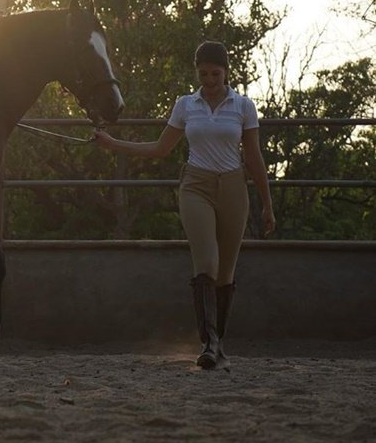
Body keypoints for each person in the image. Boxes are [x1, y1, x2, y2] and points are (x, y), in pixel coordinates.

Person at [92, 41, 275, 370]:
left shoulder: (243, 106)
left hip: (234, 187)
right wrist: (112, 143)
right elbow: (160, 149)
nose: (209, 79)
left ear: (226, 72)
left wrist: (267, 203)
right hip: (195, 185)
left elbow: (254, 156)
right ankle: (209, 342)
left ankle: (218, 344)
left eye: (215, 73)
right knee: (206, 262)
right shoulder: (185, 105)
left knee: (226, 272)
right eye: (203, 73)